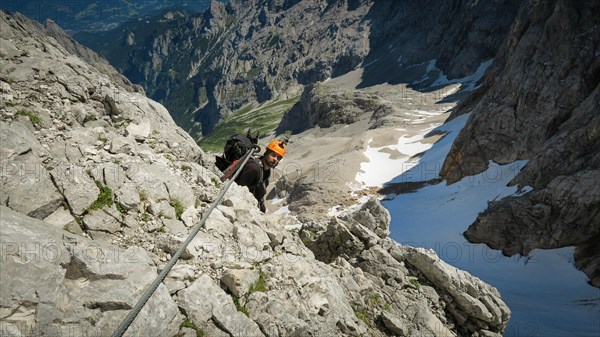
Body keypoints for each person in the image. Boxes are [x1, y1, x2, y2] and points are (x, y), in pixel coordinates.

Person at [235, 139, 286, 212]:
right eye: (273, 155)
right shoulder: (254, 168)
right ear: (266, 153)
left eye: (278, 158)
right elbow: (237, 189)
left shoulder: (266, 170)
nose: (275, 159)